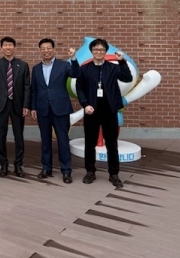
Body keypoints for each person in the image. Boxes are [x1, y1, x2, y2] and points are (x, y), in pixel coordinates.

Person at [76, 38, 132, 188]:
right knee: (90, 143)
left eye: (101, 49)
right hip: (91, 111)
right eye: (96, 49)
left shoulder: (113, 68)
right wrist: (85, 104)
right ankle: (90, 171)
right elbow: (80, 88)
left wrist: (122, 62)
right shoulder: (85, 68)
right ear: (91, 51)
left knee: (112, 144)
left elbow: (128, 78)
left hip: (109, 111)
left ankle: (114, 174)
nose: (98, 52)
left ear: (105, 52)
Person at [30, 39, 79, 184]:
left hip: (60, 109)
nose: (46, 51)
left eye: (48, 48)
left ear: (53, 49)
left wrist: (73, 58)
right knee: (45, 141)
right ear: (40, 51)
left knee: (63, 140)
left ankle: (66, 170)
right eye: (43, 49)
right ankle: (46, 168)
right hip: (42, 109)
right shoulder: (36, 69)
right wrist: (33, 107)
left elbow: (76, 74)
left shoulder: (64, 65)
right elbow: (34, 90)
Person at [0, 37, 30, 177]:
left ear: (14, 47)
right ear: (2, 48)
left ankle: (18, 165)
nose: (8, 47)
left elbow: (27, 87)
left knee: (19, 136)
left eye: (10, 45)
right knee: (1, 135)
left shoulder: (22, 65)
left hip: (17, 105)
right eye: (5, 45)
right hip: (1, 105)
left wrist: (26, 105)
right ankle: (3, 165)